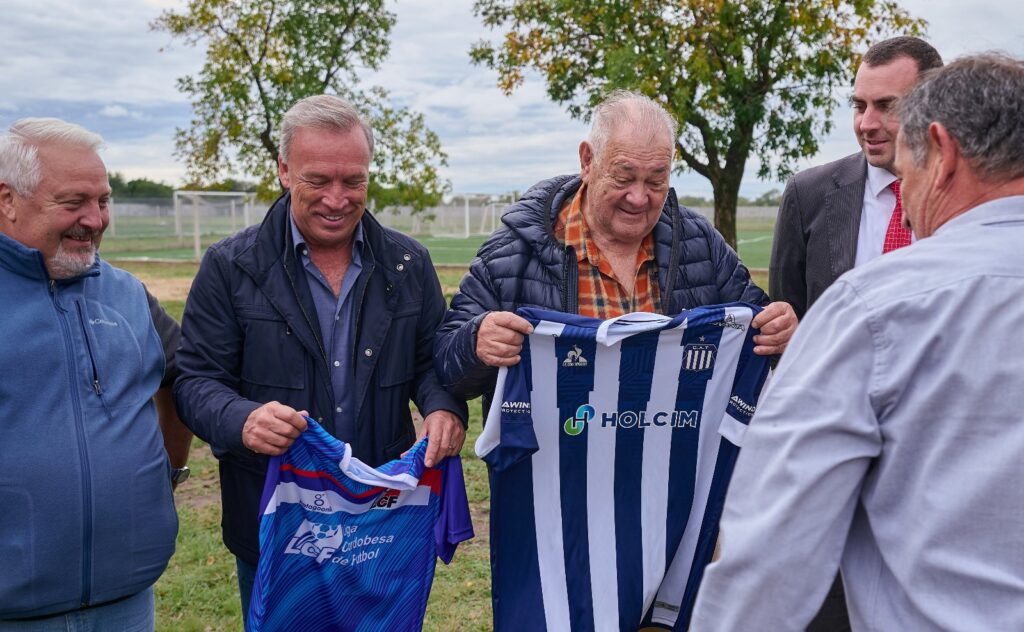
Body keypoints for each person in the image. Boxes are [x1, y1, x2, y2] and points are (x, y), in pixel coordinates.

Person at [691, 53, 1024, 631]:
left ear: (940, 151)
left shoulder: (867, 307)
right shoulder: (815, 200)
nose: (905, 205)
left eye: (909, 161)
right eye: (859, 105)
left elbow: (771, 552)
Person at [174, 94, 469, 617]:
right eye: (318, 180)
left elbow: (431, 362)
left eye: (353, 181)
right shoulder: (230, 266)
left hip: (380, 518)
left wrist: (442, 408)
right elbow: (195, 380)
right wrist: (243, 419)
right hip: (276, 521)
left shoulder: (409, 262)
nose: (337, 199)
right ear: (285, 171)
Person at [434, 90, 796, 408]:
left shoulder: (699, 241)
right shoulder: (515, 249)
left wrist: (779, 330)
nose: (639, 197)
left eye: (656, 180)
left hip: (673, 460)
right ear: (587, 161)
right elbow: (448, 366)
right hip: (554, 463)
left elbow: (756, 328)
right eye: (624, 177)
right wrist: (476, 342)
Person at [0, 118, 190, 628]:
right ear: (7, 199)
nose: (95, 219)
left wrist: (168, 471)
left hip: (125, 601)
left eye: (103, 200)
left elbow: (180, 378)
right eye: (73, 202)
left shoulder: (127, 295)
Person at [770, 37, 943, 320]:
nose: (866, 124)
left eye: (887, 106)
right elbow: (785, 319)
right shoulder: (807, 194)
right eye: (860, 106)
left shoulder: (970, 197)